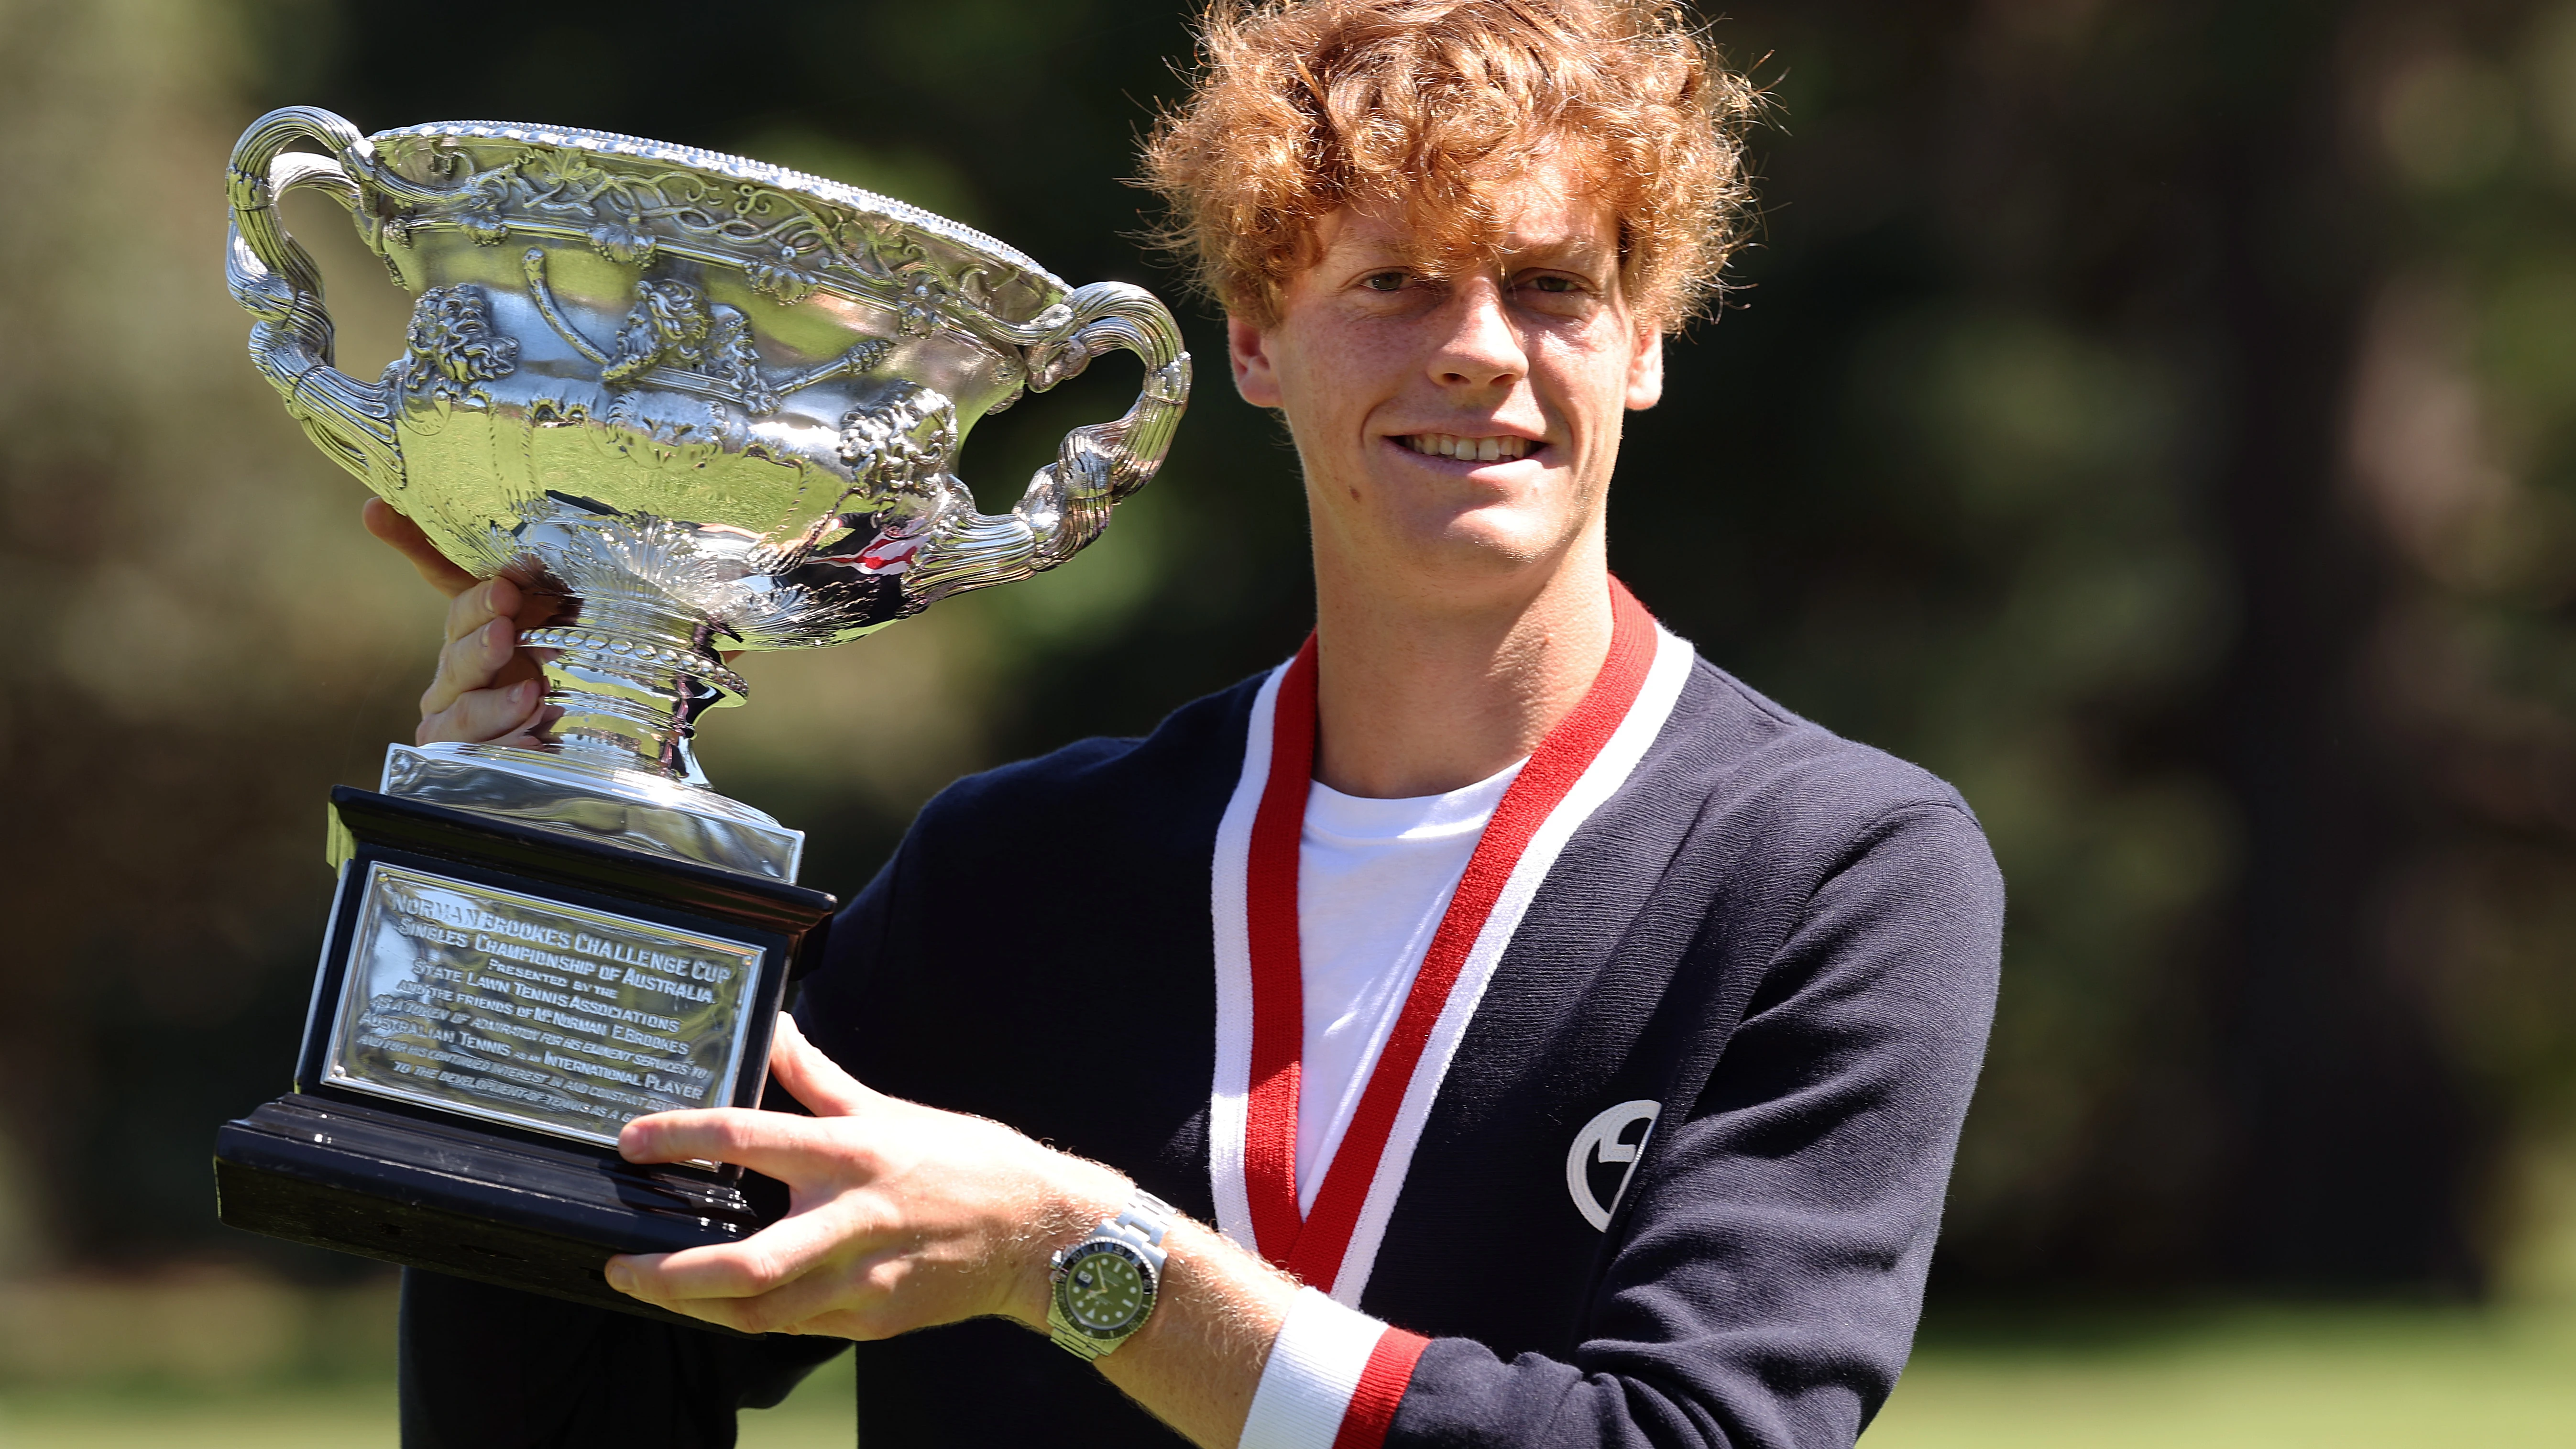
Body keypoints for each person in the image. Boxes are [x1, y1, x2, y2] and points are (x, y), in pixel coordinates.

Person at [381, 2, 2003, 1446]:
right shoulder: (1012, 877)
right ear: (1253, 340)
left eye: (1552, 283)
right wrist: (540, 879)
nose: (1478, 352)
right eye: (1395, 283)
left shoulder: (1833, 869)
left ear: (1643, 341)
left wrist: (1077, 1258)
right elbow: (581, 1388)